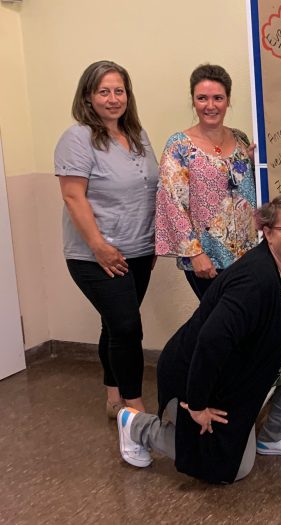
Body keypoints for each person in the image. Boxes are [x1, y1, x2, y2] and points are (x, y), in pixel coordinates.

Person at [116, 195, 281, 483]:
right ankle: (136, 426)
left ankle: (274, 436)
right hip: (202, 379)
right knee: (229, 467)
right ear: (268, 233)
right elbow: (210, 342)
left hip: (249, 369)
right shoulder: (253, 281)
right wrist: (197, 404)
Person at [55, 60, 159, 418]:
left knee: (115, 324)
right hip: (95, 254)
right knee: (128, 327)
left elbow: (152, 190)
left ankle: (113, 396)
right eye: (104, 91)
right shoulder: (77, 137)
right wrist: (99, 246)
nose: (113, 99)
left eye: (119, 90)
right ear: (88, 96)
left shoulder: (138, 136)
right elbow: (73, 196)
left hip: (140, 250)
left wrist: (154, 241)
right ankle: (135, 408)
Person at [155, 64, 256, 300]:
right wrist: (195, 254)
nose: (210, 106)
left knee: (246, 323)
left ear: (228, 100)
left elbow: (246, 189)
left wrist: (253, 163)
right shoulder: (179, 146)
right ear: (193, 101)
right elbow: (172, 204)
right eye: (202, 98)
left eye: (218, 98)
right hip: (207, 259)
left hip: (247, 256)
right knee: (220, 324)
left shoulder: (241, 139)